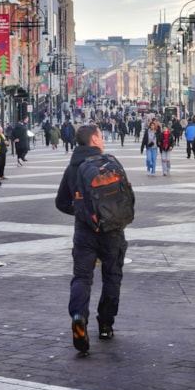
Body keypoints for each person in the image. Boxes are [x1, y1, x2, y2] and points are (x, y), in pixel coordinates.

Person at [54, 124, 131, 354]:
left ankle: (79, 315)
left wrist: (82, 212)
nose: (103, 140)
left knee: (82, 276)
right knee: (112, 276)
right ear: (94, 140)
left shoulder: (73, 167)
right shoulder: (109, 163)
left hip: (85, 231)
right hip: (112, 231)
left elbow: (60, 202)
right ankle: (106, 324)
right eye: (100, 136)